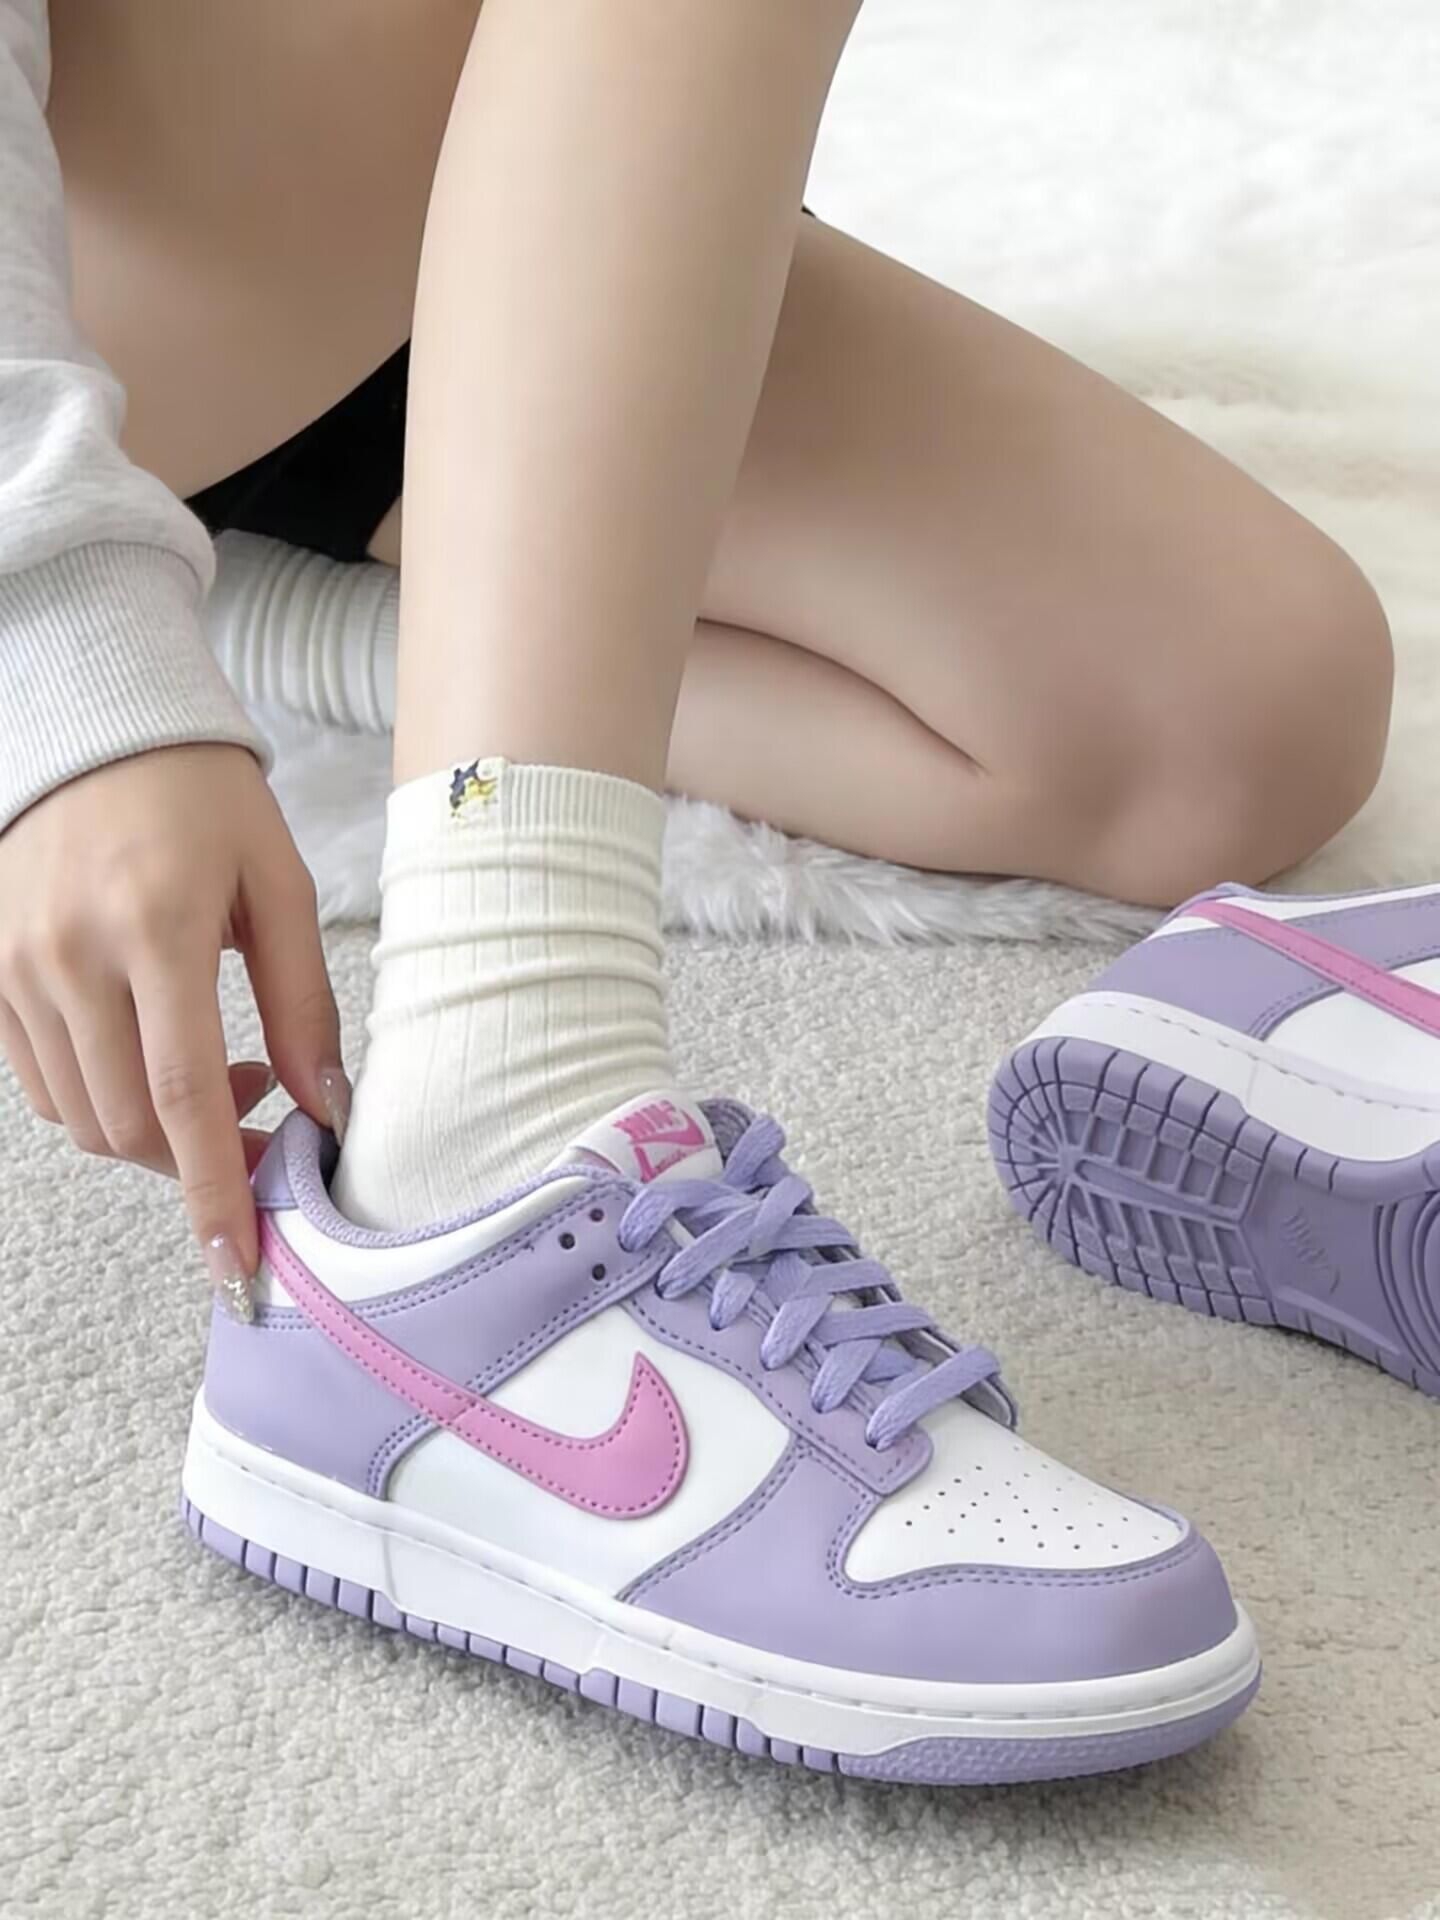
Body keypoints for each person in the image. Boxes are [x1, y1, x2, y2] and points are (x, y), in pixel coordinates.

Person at [0, 0, 1379, 1780]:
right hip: (82, 245)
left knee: (1231, 720)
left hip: (430, 207)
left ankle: (296, 624)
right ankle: (486, 1134)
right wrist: (57, 632)